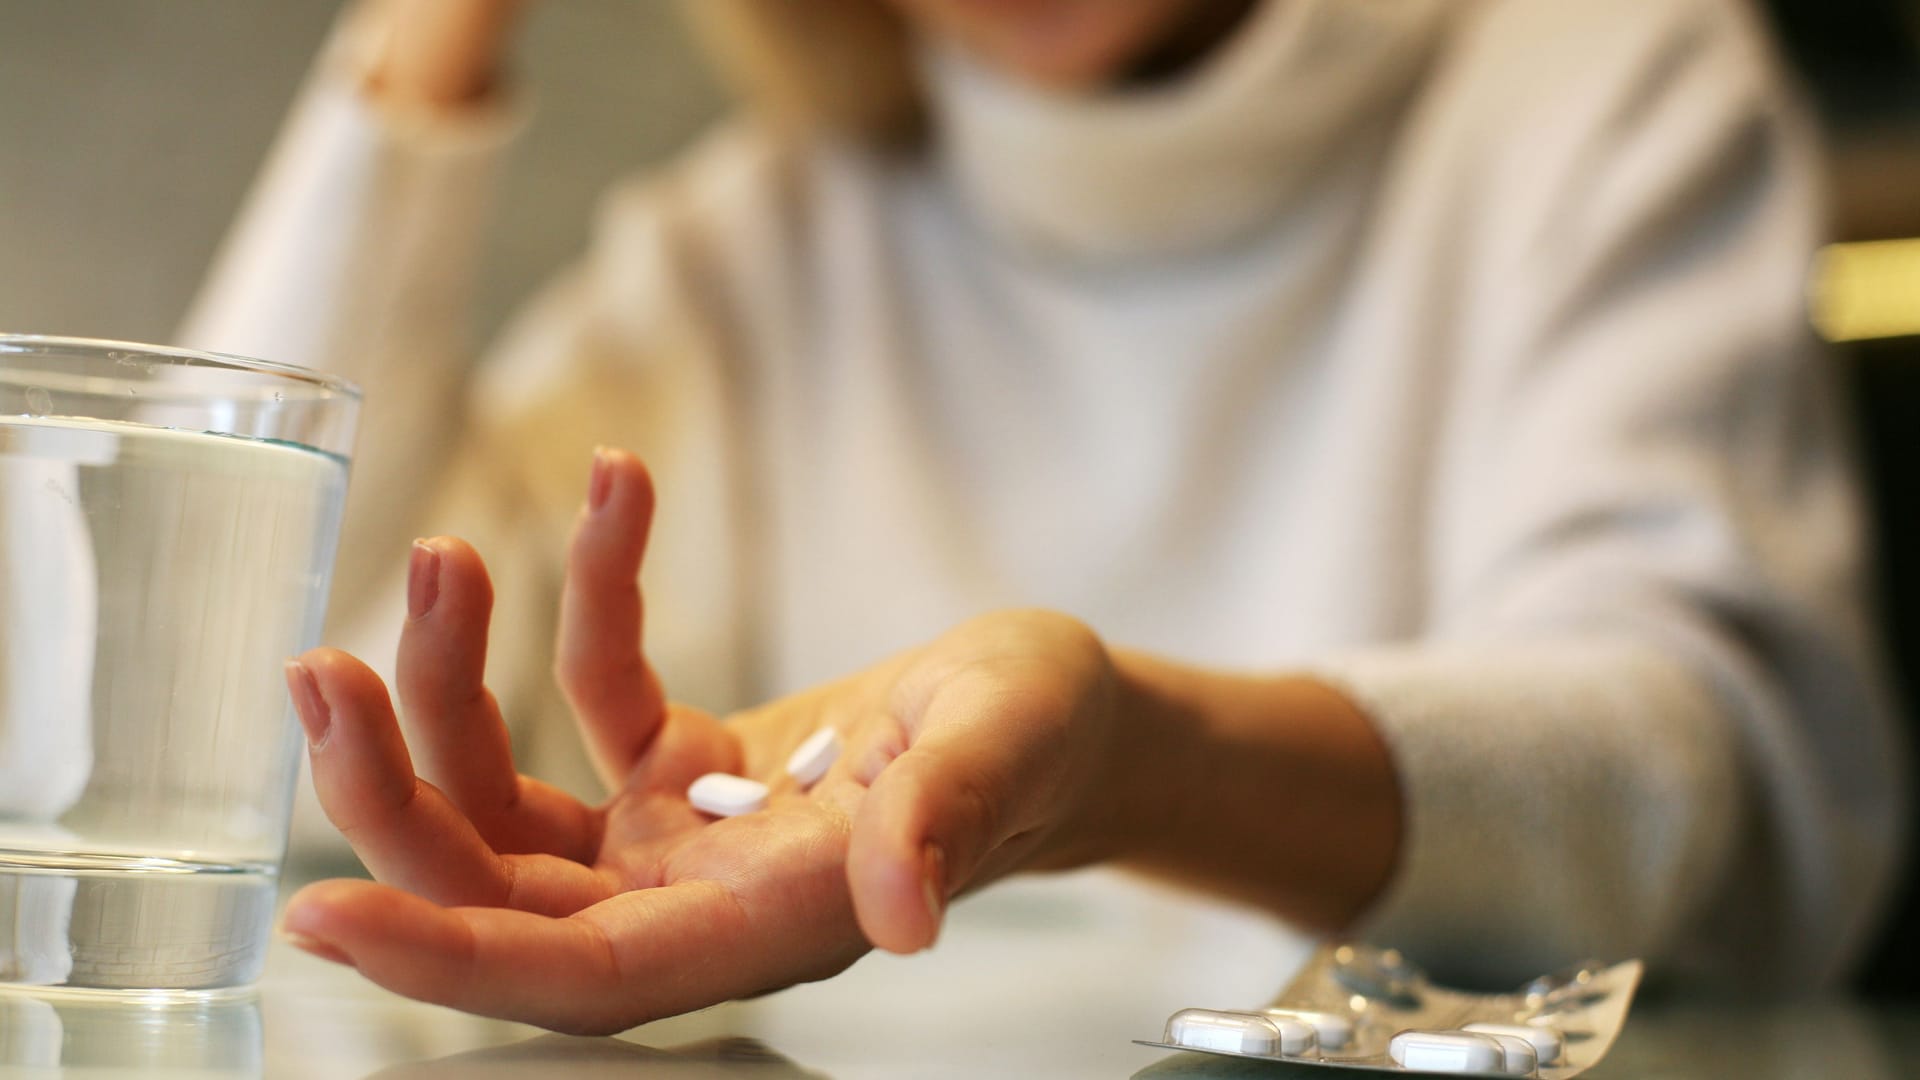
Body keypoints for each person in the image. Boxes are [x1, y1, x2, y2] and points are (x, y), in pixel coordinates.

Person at [182, 0, 1906, 1035]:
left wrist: (1132, 761)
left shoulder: (1593, 80)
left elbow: (1719, 781)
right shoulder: (765, 238)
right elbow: (219, 666)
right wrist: (430, 45)